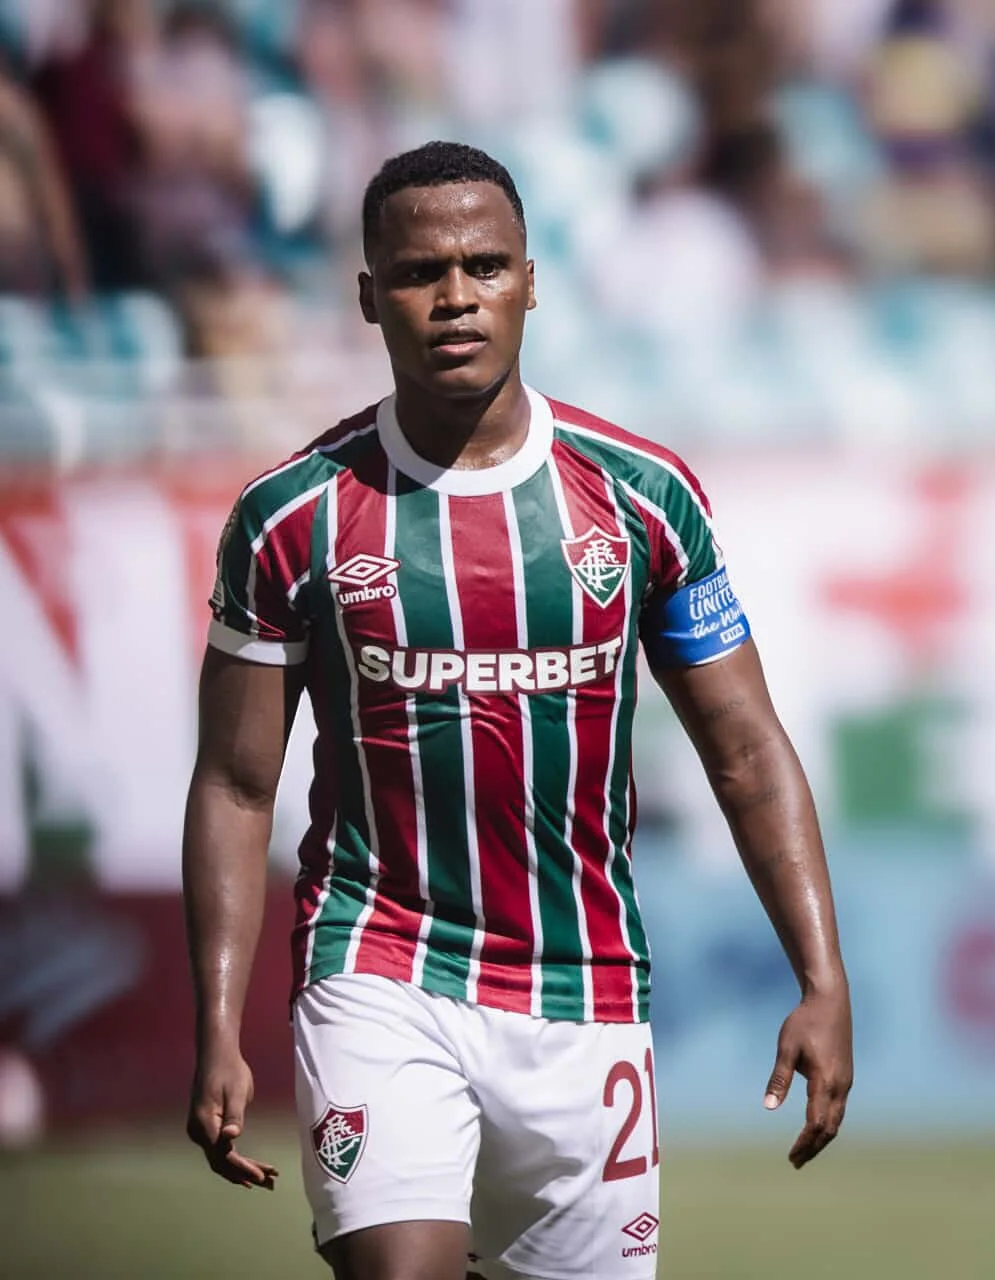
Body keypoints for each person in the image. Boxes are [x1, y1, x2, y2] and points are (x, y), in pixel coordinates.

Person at [183, 140, 853, 1280]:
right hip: (379, 964)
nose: (455, 297)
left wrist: (822, 979)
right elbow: (238, 783)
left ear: (531, 282)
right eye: (419, 273)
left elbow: (745, 750)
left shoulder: (643, 497)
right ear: (368, 297)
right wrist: (217, 1023)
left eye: (485, 266)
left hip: (585, 988)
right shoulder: (291, 517)